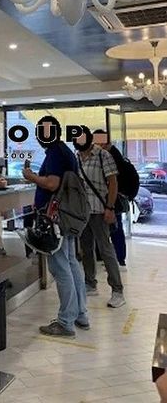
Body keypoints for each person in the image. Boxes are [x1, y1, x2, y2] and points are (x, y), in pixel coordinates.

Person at [22, 116, 89, 338]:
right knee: (71, 263)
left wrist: (31, 176)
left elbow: (52, 183)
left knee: (61, 268)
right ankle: (80, 314)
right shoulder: (65, 152)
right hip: (66, 217)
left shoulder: (55, 153)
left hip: (56, 219)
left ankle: (66, 322)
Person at [74, 126, 125, 308]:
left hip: (100, 210)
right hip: (83, 211)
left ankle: (117, 290)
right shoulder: (77, 157)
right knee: (86, 249)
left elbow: (113, 183)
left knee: (105, 249)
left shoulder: (103, 155)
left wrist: (110, 207)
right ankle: (90, 283)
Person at [93, 129, 128, 268]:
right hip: (110, 198)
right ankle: (117, 257)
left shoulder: (109, 155)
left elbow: (113, 181)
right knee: (113, 229)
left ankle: (118, 258)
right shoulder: (113, 154)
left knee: (114, 229)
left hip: (111, 199)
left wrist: (110, 205)